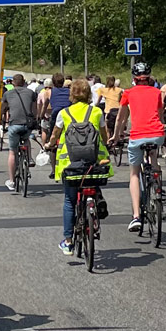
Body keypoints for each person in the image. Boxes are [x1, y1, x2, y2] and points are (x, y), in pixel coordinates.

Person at [44, 78, 112, 255]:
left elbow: (55, 135)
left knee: (69, 201)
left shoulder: (64, 113)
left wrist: (49, 145)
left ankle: (68, 241)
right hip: (93, 164)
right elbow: (104, 136)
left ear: (71, 94)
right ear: (89, 94)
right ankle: (96, 204)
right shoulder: (96, 112)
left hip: (71, 166)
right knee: (93, 181)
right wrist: (107, 143)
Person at [112, 66, 166, 231]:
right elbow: (160, 116)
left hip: (138, 136)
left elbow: (121, 119)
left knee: (135, 173)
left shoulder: (128, 93)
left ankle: (136, 216)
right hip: (157, 134)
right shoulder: (157, 92)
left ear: (134, 78)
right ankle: (157, 188)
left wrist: (116, 137)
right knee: (153, 157)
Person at [2, 73, 38, 190]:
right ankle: (29, 158)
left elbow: (3, 108)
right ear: (23, 82)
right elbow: (34, 108)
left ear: (13, 83)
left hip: (14, 125)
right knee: (26, 139)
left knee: (12, 152)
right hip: (27, 124)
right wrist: (35, 118)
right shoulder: (31, 93)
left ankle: (12, 181)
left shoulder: (7, 94)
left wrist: (2, 118)